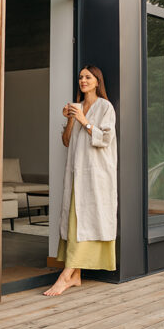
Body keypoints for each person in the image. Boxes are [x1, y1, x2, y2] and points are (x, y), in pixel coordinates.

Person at [43, 65, 117, 296]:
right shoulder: (76, 108)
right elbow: (66, 141)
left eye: (88, 77)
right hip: (76, 174)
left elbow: (105, 138)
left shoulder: (105, 107)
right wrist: (70, 120)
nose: (83, 81)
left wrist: (84, 120)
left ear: (97, 81)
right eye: (81, 77)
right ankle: (76, 276)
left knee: (87, 221)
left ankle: (66, 275)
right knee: (75, 222)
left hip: (96, 174)